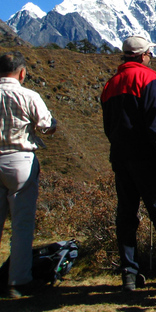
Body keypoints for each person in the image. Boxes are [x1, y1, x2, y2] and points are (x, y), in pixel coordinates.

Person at [101, 36, 156, 291]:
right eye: (150, 53)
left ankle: (129, 273)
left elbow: (108, 127)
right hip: (148, 159)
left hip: (120, 158)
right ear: (143, 55)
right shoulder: (148, 79)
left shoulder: (111, 84)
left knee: (126, 215)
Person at [0, 51, 57, 298]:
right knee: (21, 225)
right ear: (22, 72)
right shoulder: (28, 95)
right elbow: (47, 126)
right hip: (19, 160)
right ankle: (18, 281)